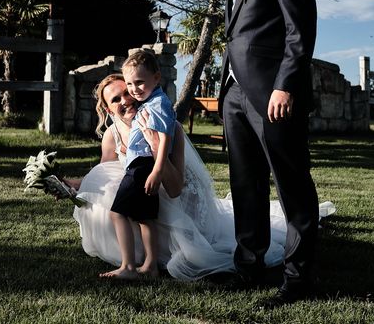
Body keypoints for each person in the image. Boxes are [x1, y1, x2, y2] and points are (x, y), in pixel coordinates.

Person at [67, 73, 335, 281]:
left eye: (127, 92)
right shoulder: (112, 135)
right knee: (111, 197)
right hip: (149, 201)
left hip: (183, 205)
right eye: (115, 99)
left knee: (190, 254)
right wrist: (71, 186)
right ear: (107, 108)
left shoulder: (167, 129)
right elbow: (103, 174)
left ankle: (148, 259)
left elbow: (174, 188)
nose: (125, 100)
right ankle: (133, 259)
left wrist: (157, 149)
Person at [197, 0, 319, 306]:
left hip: (273, 95)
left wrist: (284, 85)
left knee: (292, 185)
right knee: (245, 184)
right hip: (233, 93)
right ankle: (248, 267)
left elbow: (298, 31)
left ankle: (298, 281)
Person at [102, 50, 176, 279]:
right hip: (143, 165)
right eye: (130, 84)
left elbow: (164, 139)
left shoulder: (159, 104)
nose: (134, 90)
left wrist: (156, 170)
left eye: (139, 83)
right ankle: (151, 266)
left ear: (156, 78)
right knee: (145, 217)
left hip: (142, 166)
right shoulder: (150, 102)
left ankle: (128, 266)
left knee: (117, 214)